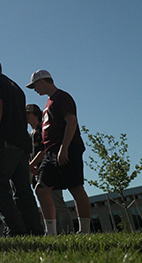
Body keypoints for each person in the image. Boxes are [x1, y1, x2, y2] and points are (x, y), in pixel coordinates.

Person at [0, 55, 43, 236]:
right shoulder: (16, 88)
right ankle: (34, 229)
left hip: (4, 142)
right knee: (22, 189)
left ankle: (15, 229)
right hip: (22, 144)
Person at [26, 70, 92, 234]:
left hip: (67, 148)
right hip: (50, 152)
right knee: (41, 189)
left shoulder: (62, 97)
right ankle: (51, 232)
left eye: (35, 85)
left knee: (75, 187)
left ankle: (85, 231)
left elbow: (71, 121)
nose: (34, 89)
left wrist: (64, 147)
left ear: (42, 81)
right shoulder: (48, 103)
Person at [26, 104, 72, 234]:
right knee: (46, 204)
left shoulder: (42, 130)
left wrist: (32, 164)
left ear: (36, 114)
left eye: (28, 113)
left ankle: (66, 231)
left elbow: (44, 150)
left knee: (57, 202)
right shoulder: (31, 134)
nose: (25, 117)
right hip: (38, 172)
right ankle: (54, 231)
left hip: (49, 170)